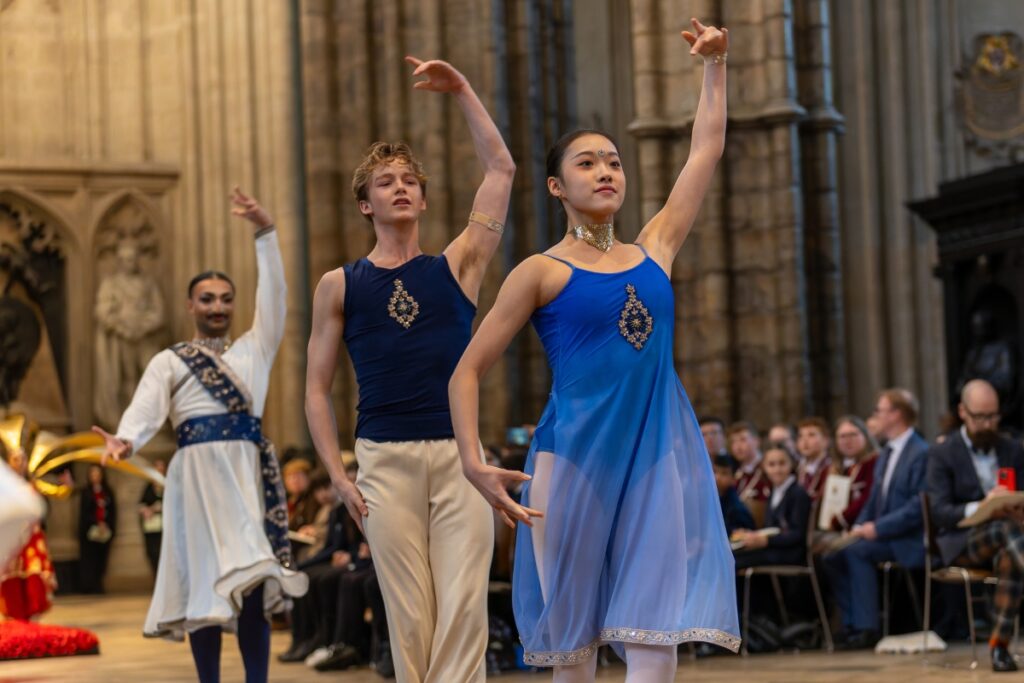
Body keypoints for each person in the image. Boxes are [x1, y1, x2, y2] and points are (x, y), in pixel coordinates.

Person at [448, 19, 737, 680]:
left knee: (653, 637)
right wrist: (473, 462)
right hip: (569, 466)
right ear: (556, 187)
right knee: (573, 653)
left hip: (654, 460)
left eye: (612, 160)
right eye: (587, 162)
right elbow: (466, 371)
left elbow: (705, 151)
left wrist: (715, 66)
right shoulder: (540, 271)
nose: (605, 170)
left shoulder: (656, 248)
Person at [304, 55, 515, 683]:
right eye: (385, 182)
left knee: (462, 610)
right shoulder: (339, 284)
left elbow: (501, 170)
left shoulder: (458, 266)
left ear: (422, 198)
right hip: (383, 461)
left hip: (461, 456)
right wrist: (339, 476)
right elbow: (317, 391)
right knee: (410, 615)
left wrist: (464, 91)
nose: (400, 187)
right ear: (365, 204)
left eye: (409, 180)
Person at [91, 188, 307, 683]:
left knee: (254, 580)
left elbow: (273, 297)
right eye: (208, 299)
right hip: (195, 479)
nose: (218, 306)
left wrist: (265, 234)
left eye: (226, 299)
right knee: (205, 589)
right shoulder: (168, 360)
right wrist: (124, 440)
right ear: (190, 304)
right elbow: (143, 411)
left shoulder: (255, 350)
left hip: (246, 475)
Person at [927, 379, 1024, 672]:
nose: (987, 424)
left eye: (993, 416)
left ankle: (999, 649)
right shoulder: (942, 453)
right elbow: (940, 512)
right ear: (963, 412)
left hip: (1011, 538)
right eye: (980, 417)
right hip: (962, 541)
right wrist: (983, 506)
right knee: (1007, 531)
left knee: (1011, 554)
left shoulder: (1012, 448)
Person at [825, 388, 928, 651]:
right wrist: (860, 525)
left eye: (879, 410)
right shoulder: (886, 454)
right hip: (884, 534)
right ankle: (849, 624)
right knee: (832, 554)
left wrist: (878, 528)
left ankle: (867, 627)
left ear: (896, 414)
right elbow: (874, 499)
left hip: (908, 538)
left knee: (857, 553)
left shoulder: (920, 452)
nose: (876, 416)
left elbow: (919, 506)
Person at [827, 417, 878, 531]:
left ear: (865, 436)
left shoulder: (873, 462)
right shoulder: (835, 468)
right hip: (838, 528)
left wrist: (840, 519)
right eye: (842, 436)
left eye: (853, 435)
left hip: (864, 527)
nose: (847, 441)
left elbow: (868, 497)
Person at [77, 464, 117, 594]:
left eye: (97, 474)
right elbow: (84, 513)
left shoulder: (107, 492)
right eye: (92, 474)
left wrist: (106, 524)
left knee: (102, 560)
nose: (95, 476)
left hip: (105, 530)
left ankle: (99, 584)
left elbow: (112, 511)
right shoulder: (86, 492)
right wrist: (95, 522)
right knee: (90, 559)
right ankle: (89, 586)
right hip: (90, 531)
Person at [713, 455, 756, 536]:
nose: (717, 477)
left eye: (724, 473)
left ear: (734, 478)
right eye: (714, 471)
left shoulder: (737, 509)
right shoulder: (712, 499)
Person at [138, 458, 167, 574]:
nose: (159, 470)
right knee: (153, 552)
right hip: (151, 527)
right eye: (157, 467)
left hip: (165, 527)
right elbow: (141, 504)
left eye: (161, 467)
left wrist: (157, 507)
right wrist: (146, 510)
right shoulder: (149, 487)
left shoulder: (169, 485)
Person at [796, 417, 831, 501]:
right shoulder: (796, 469)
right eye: (801, 436)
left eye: (811, 435)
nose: (805, 441)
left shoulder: (832, 468)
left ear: (825, 440)